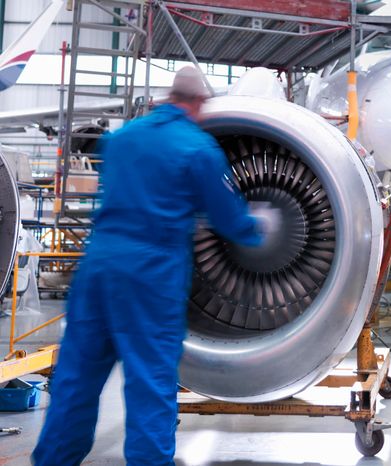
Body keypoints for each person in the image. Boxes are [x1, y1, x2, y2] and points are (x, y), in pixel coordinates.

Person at [32, 66, 274, 466]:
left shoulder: (124, 138)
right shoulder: (197, 149)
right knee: (149, 382)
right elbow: (229, 220)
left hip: (98, 268)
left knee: (76, 379)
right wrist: (259, 226)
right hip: (149, 274)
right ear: (198, 103)